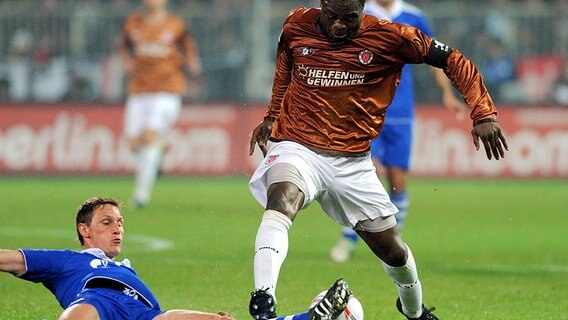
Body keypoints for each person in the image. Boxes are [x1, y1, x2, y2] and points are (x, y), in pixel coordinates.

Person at [247, 1, 508, 320]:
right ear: (321, 6)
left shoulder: (392, 36)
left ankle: (414, 311)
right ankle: (263, 298)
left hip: (352, 163)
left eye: (350, 18)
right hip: (299, 146)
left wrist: (483, 111)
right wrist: (273, 115)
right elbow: (285, 65)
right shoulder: (296, 24)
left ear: (362, 9)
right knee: (281, 199)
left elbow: (454, 59)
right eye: (332, 17)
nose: (340, 26)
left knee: (393, 252)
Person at [0, 197, 352, 320]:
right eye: (107, 223)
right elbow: (9, 259)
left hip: (147, 315)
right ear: (85, 231)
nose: (118, 229)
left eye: (120, 222)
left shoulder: (127, 269)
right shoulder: (66, 263)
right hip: (98, 303)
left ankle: (310, 318)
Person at [330, 0, 468, 263]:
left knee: (397, 180)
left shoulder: (414, 16)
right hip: (364, 109)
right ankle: (348, 239)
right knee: (361, 174)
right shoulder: (360, 12)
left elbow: (435, 58)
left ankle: (394, 239)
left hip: (401, 110)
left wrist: (447, 92)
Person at [118, 0, 203, 209]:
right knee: (133, 144)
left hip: (167, 91)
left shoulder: (176, 25)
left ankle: (141, 196)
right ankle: (158, 153)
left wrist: (192, 63)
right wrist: (125, 61)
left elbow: (189, 48)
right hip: (139, 90)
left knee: (148, 137)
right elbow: (123, 46)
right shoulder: (133, 23)